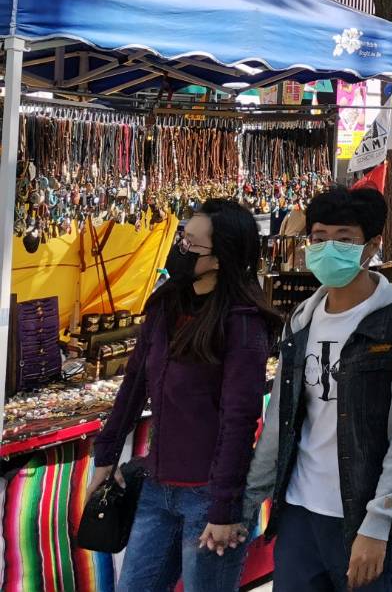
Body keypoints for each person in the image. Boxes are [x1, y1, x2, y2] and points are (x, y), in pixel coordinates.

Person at [243, 187, 392, 592]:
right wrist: (248, 500)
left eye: (344, 239)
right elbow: (281, 419)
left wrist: (379, 521)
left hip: (361, 516)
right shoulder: (301, 318)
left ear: (372, 246)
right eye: (318, 237)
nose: (328, 248)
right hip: (300, 511)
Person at [90, 200, 277, 592]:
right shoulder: (165, 304)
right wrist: (106, 455)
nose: (181, 249)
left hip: (210, 496)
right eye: (182, 238)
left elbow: (239, 420)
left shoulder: (242, 322)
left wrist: (225, 508)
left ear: (220, 258)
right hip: (158, 488)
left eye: (191, 244)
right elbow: (134, 382)